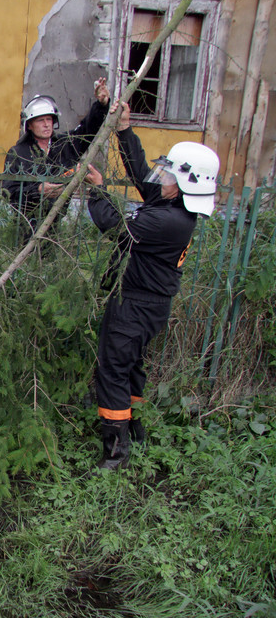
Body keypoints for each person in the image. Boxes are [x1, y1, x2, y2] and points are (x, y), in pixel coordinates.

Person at [83, 101, 219, 470]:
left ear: (186, 184)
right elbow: (144, 174)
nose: (164, 180)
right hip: (147, 305)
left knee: (113, 369)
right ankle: (135, 430)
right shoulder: (175, 207)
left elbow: (117, 230)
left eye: (171, 176)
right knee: (130, 367)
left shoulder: (169, 222)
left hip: (136, 306)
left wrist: (96, 190)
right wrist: (124, 130)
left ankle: (116, 453)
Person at [2, 79, 111, 242]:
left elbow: (87, 130)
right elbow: (8, 192)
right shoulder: (18, 153)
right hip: (24, 225)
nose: (46, 125)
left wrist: (101, 105)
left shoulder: (65, 145)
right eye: (40, 120)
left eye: (49, 119)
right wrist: (37, 190)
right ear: (29, 125)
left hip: (55, 224)